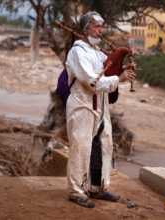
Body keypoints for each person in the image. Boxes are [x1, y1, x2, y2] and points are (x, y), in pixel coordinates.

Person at [65, 11, 136, 208]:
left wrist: (123, 72)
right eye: (97, 26)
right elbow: (92, 82)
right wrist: (118, 79)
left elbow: (105, 75)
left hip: (100, 105)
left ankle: (97, 188)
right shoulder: (78, 52)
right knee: (81, 148)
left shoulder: (97, 52)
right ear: (85, 29)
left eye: (101, 26)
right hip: (82, 105)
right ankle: (76, 192)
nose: (101, 30)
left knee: (102, 146)